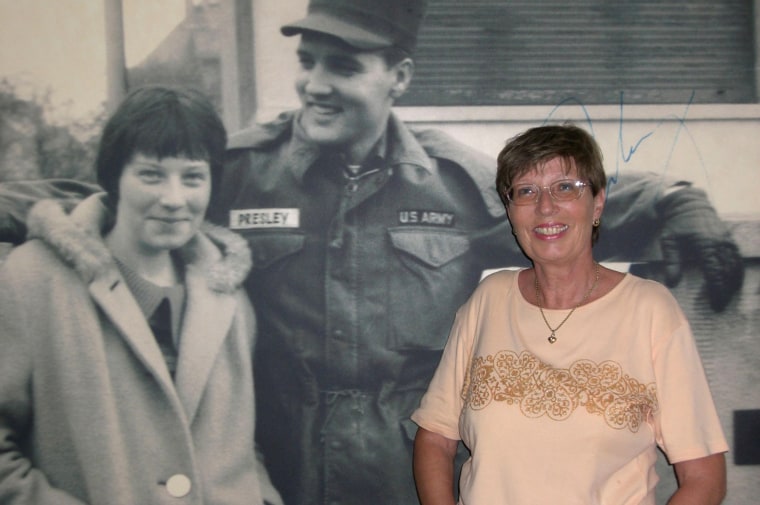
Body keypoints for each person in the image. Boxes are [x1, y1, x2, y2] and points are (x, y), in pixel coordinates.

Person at [0, 1, 744, 503]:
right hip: (277, 473)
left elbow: (561, 202)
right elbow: (110, 192)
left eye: (344, 67)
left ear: (399, 77)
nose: (315, 85)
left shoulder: (453, 183)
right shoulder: (242, 168)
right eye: (310, 61)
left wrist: (682, 204)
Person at [411, 124, 729, 505]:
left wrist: (683, 199)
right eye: (526, 192)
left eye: (565, 188)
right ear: (510, 213)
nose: (545, 207)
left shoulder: (650, 310)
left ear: (597, 203)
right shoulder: (488, 300)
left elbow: (704, 477)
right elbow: (435, 437)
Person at [0, 86, 282, 505]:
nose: (173, 199)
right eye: (151, 174)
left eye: (192, 177)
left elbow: (242, 446)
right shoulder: (31, 280)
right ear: (113, 177)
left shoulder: (230, 297)